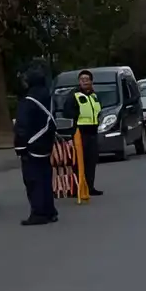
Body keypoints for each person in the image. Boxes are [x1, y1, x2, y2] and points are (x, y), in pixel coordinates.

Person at [13, 66, 58, 225]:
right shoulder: (48, 97)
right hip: (46, 143)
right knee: (45, 178)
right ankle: (49, 211)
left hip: (32, 145)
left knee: (33, 180)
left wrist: (20, 147)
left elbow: (22, 126)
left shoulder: (28, 101)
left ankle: (38, 213)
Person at [62, 69, 104, 197]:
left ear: (91, 81)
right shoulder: (74, 95)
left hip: (93, 131)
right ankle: (77, 188)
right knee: (78, 161)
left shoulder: (94, 95)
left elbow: (98, 110)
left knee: (91, 161)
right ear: (79, 82)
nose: (85, 81)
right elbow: (67, 112)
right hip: (79, 132)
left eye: (87, 79)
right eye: (82, 79)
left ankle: (90, 187)